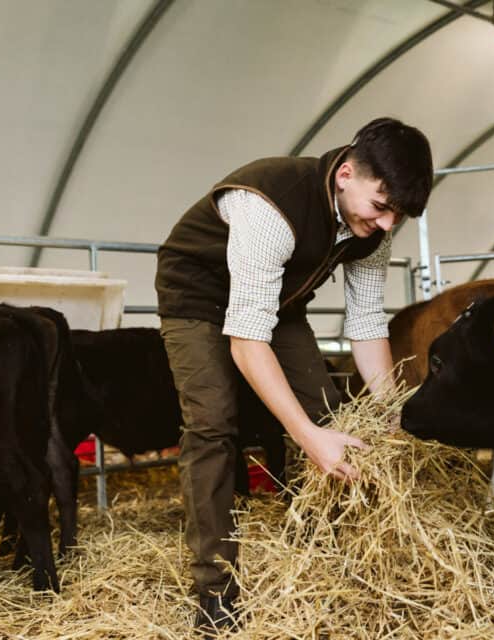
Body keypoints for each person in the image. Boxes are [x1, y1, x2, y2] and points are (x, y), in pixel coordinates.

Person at [154, 117, 433, 634]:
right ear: (346, 173)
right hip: (198, 296)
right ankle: (215, 589)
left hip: (276, 304)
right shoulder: (272, 203)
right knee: (213, 423)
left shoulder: (373, 228)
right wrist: (308, 439)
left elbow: (368, 322)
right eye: (381, 206)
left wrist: (391, 414)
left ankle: (323, 558)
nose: (389, 223)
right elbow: (246, 338)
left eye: (400, 213)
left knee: (334, 413)